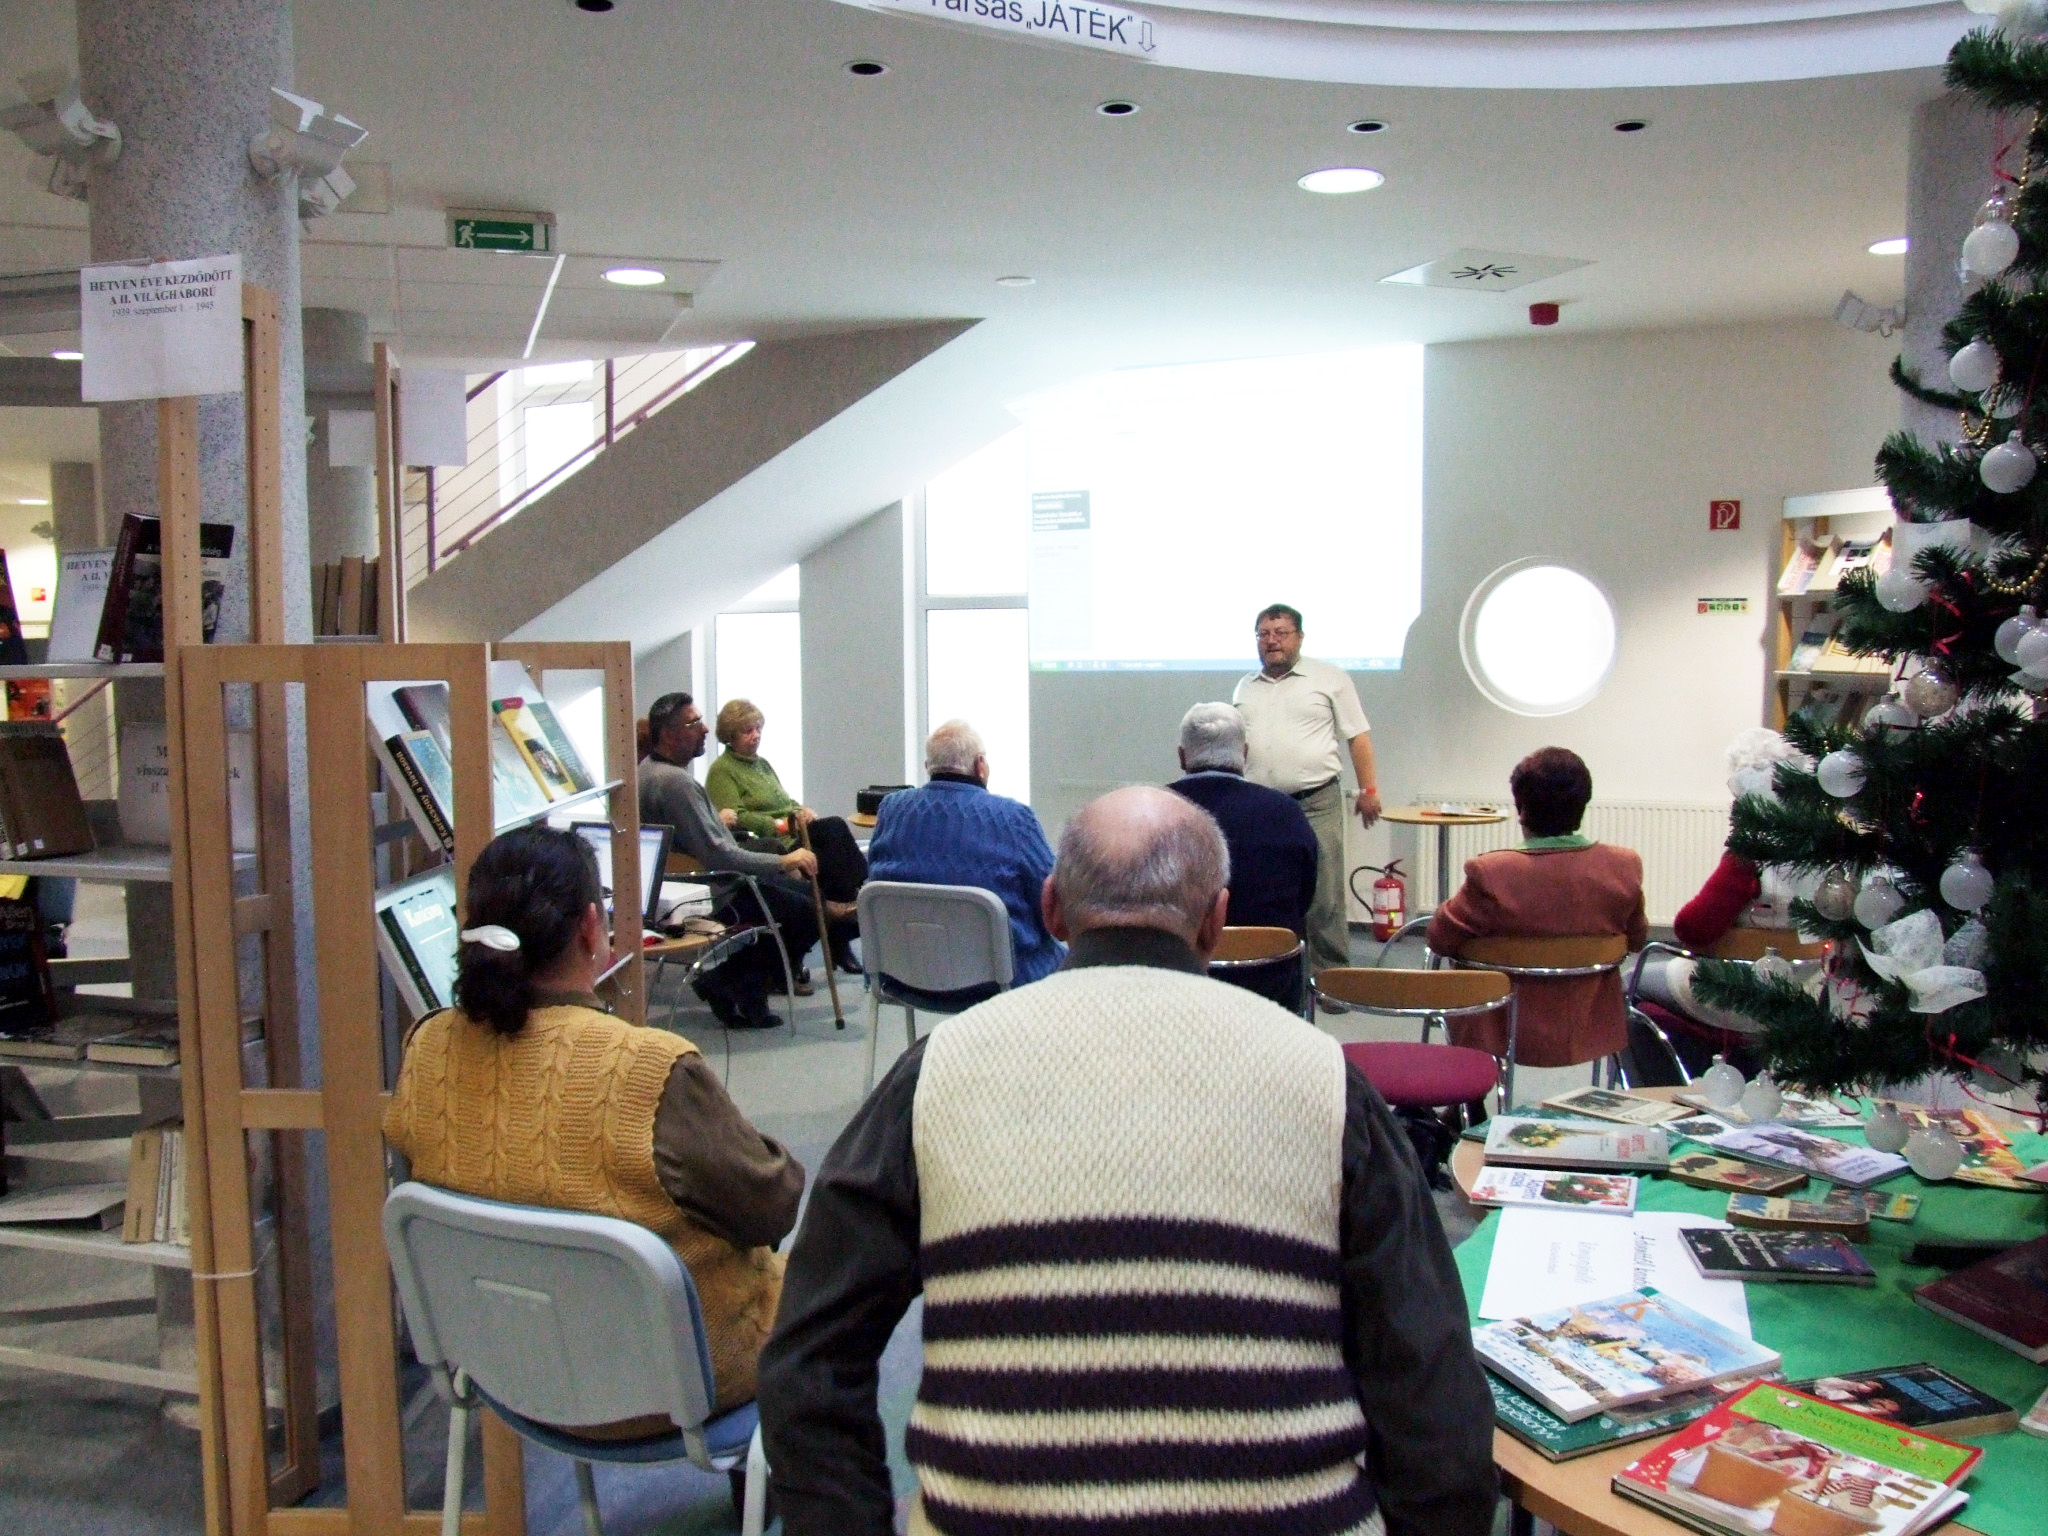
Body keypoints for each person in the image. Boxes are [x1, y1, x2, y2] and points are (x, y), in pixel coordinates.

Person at [759, 786, 1495, 1536]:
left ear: (1052, 909)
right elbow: (1432, 1392)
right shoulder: (1328, 1083)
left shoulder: (935, 1074)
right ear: (1216, 920)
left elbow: (810, 1359)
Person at [383, 825, 802, 1415]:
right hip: (673, 1391)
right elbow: (771, 1206)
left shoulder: (427, 1047)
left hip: (506, 1372)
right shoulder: (650, 1069)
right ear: (589, 926)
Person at [1426, 747, 1648, 1068]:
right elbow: (1636, 940)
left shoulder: (1492, 873)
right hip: (1589, 1027)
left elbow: (1439, 938)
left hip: (1500, 1029)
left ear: (1521, 808)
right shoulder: (1623, 867)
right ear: (1583, 804)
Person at [640, 691, 823, 1027]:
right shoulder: (676, 784)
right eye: (694, 723)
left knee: (800, 893)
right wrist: (782, 862)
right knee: (808, 911)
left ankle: (745, 987)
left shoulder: (648, 771)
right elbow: (718, 855)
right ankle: (725, 981)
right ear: (668, 734)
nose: (705, 729)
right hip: (711, 889)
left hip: (686, 882)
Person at [1233, 603, 1381, 975]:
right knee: (1266, 889)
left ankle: (1330, 977)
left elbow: (1358, 737)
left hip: (1316, 802)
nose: (1272, 641)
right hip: (1263, 807)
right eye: (1264, 634)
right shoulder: (1245, 686)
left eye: (1281, 633)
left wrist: (1369, 790)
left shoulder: (1330, 678)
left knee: (1324, 895)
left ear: (1299, 637)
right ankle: (1273, 970)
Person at [865, 719, 1063, 988]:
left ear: (927, 767)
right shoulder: (1014, 818)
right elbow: (1051, 901)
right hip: (1001, 982)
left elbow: (874, 876)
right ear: (981, 765)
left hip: (903, 976)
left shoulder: (891, 810)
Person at [1166, 701, 1318, 936]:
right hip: (1272, 957)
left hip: (1179, 957)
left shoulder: (1153, 810)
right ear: (1245, 753)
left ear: (1182, 756)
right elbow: (1305, 897)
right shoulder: (1288, 813)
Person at [703, 697, 869, 907]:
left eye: (758, 728)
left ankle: (851, 897)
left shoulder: (762, 764)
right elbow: (737, 817)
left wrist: (801, 810)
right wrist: (780, 825)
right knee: (832, 834)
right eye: (748, 731)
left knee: (833, 837)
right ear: (731, 735)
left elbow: (784, 800)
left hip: (793, 833)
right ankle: (850, 900)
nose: (756, 735)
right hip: (774, 845)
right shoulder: (721, 770)